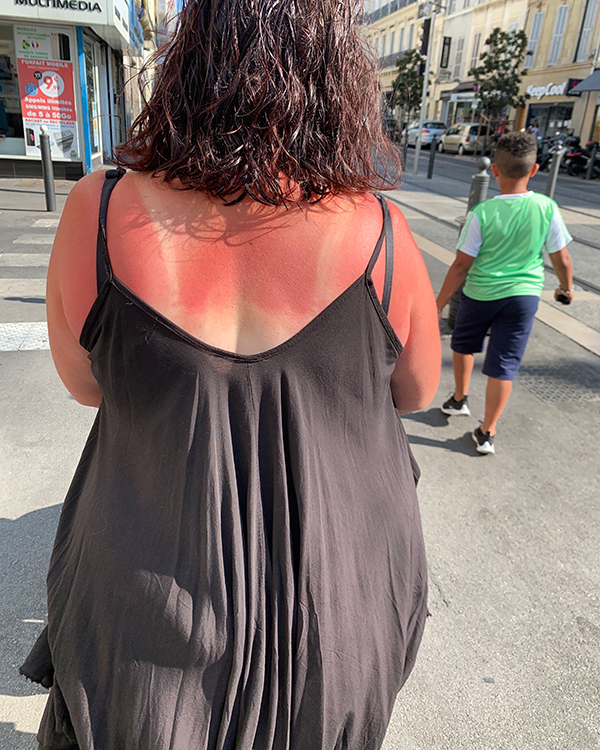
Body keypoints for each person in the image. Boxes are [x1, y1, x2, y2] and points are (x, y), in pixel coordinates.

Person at [20, 1, 441, 748]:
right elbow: (415, 391)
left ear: (189, 61)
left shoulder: (98, 207)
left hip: (144, 597)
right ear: (336, 75)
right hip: (333, 604)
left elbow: (86, 385)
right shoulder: (382, 231)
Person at [435, 131, 573, 455]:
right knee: (504, 364)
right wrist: (565, 288)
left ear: (494, 170)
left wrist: (437, 304)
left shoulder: (481, 213)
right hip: (523, 298)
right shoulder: (547, 207)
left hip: (480, 294)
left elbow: (461, 266)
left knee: (464, 345)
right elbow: (562, 259)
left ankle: (459, 398)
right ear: (535, 169)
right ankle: (487, 432)